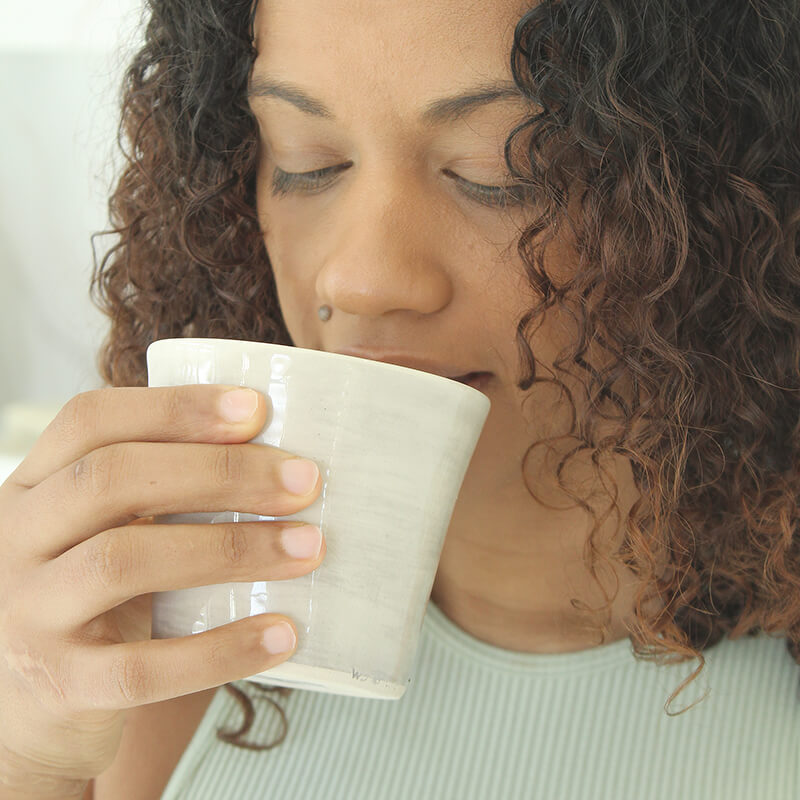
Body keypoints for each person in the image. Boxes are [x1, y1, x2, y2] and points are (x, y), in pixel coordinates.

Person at [1, 0, 799, 797]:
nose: (361, 279)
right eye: (307, 161)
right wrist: (28, 762)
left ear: (721, 202)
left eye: (501, 170)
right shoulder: (148, 661)